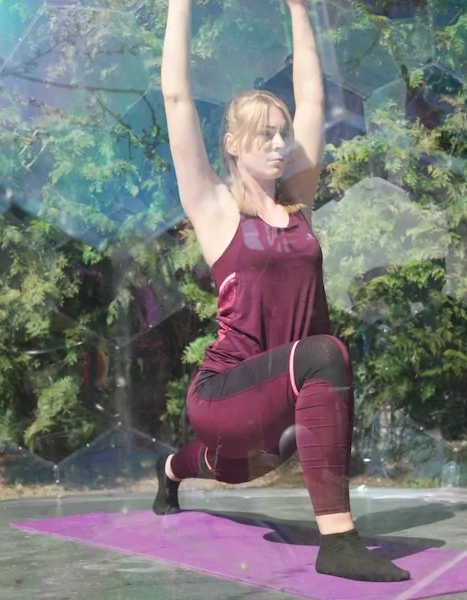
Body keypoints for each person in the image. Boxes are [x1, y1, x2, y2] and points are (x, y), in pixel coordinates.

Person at [153, 0, 411, 583]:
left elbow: (315, 99)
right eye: (264, 135)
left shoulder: (298, 204)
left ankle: (169, 469)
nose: (279, 144)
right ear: (233, 147)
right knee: (326, 350)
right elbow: (176, 98)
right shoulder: (215, 209)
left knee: (229, 469)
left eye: (283, 134)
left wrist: (299, 8)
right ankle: (339, 543)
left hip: (280, 401)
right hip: (224, 391)